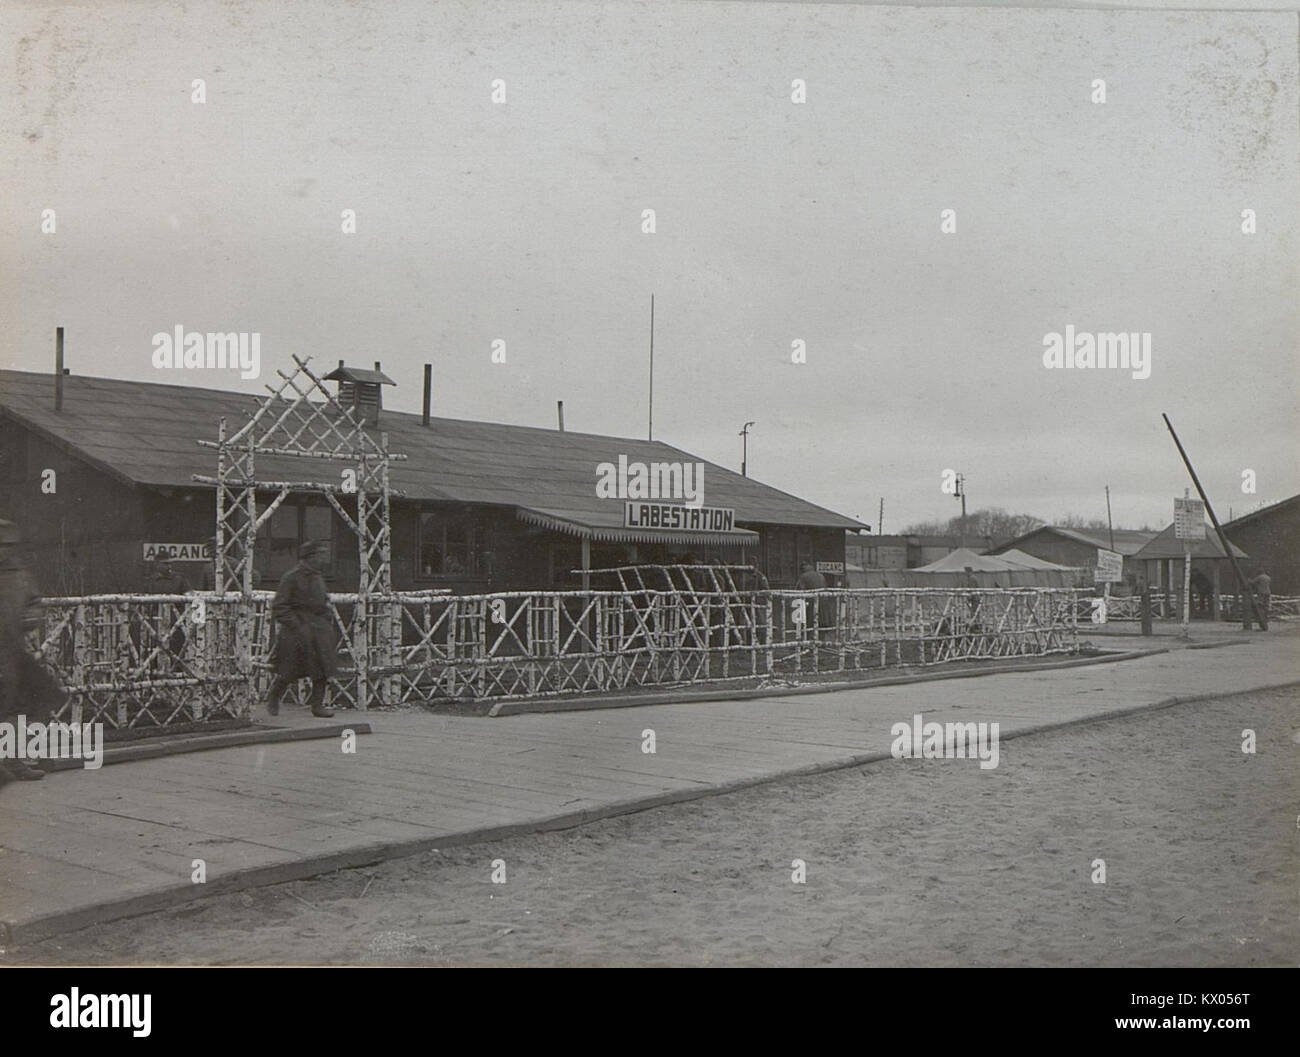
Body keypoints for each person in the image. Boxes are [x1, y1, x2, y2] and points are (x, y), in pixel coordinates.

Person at [0, 520, 62, 783]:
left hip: (11, 650)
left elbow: (34, 601)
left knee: (34, 698)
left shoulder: (19, 575)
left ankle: (13, 760)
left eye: (7, 546)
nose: (3, 551)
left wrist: (30, 615)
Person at [266, 540, 337, 718]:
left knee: (322, 668)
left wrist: (326, 617)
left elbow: (322, 601)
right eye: (319, 555)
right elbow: (280, 606)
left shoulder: (317, 576)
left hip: (319, 630)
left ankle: (317, 706)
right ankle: (274, 696)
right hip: (297, 631)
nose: (322, 559)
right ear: (309, 557)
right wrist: (297, 625)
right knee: (289, 669)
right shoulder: (292, 577)